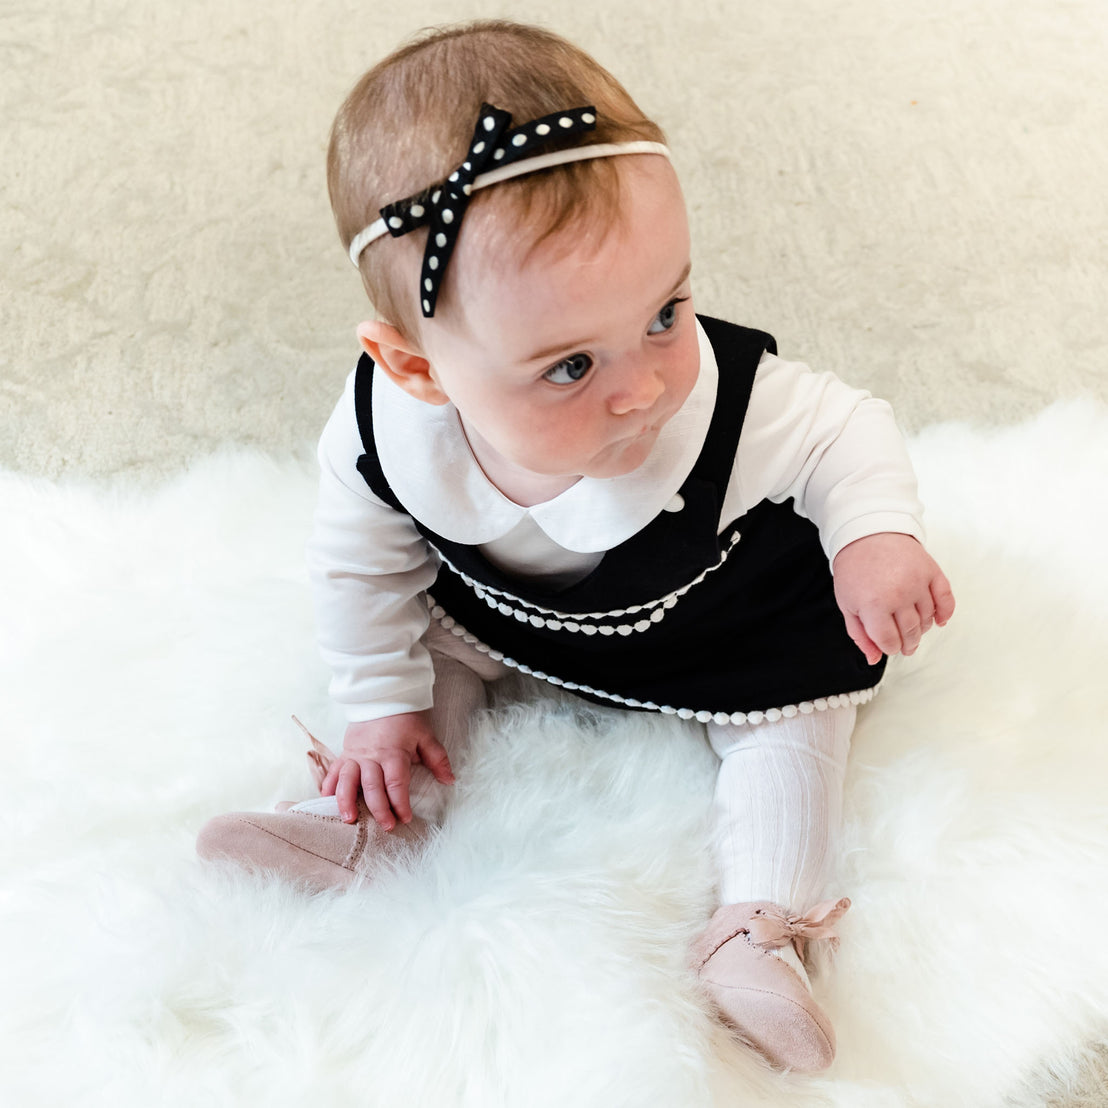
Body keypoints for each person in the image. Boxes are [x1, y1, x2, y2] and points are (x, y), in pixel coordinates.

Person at [197, 19, 954, 1073]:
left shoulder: (723, 409)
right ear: (418, 370)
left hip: (720, 622)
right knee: (427, 664)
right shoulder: (385, 425)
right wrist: (378, 702)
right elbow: (358, 565)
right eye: (567, 367)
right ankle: (376, 821)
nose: (642, 383)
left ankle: (757, 924)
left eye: (664, 310)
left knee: (798, 718)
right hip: (508, 618)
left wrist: (873, 537)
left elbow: (846, 427)